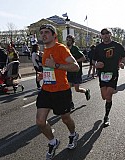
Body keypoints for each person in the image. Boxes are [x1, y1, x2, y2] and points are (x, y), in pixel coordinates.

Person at [36, 24, 80, 159]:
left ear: (54, 35)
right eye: (42, 32)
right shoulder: (45, 51)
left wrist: (55, 65)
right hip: (46, 90)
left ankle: (73, 135)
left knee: (65, 118)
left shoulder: (61, 48)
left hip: (61, 91)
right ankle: (53, 141)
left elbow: (75, 67)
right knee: (40, 121)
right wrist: (43, 75)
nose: (43, 35)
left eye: (47, 32)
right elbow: (50, 71)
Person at [93, 28, 125, 127]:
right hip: (102, 74)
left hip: (113, 73)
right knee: (104, 96)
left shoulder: (117, 46)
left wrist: (123, 63)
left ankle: (106, 117)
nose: (105, 35)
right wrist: (96, 64)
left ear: (110, 34)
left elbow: (124, 56)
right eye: (103, 34)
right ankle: (112, 91)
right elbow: (93, 60)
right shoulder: (98, 47)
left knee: (108, 96)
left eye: (107, 33)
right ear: (101, 36)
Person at [66, 35, 91, 109]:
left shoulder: (75, 49)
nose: (68, 41)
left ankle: (86, 91)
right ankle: (70, 103)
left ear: (72, 41)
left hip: (77, 72)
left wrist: (75, 61)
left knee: (77, 89)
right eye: (67, 40)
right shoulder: (65, 49)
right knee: (68, 88)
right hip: (69, 71)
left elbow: (83, 58)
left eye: (69, 40)